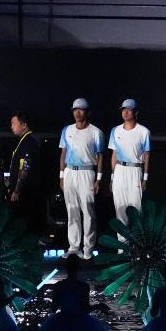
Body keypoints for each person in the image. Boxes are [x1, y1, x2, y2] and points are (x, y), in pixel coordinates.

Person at [36, 255, 112, 331]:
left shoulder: (59, 286)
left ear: (65, 267)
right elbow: (85, 309)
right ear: (79, 268)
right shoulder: (83, 286)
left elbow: (54, 308)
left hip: (62, 323)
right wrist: (99, 306)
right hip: (81, 323)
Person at [58, 98, 105, 260]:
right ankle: (73, 247)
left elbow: (100, 157)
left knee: (88, 212)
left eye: (81, 109)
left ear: (87, 112)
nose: (77, 112)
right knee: (72, 211)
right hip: (70, 172)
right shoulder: (67, 130)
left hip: (87, 173)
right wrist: (61, 175)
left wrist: (98, 179)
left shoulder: (96, 132)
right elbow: (63, 153)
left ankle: (88, 248)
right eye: (74, 110)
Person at [108, 98, 151, 231]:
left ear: (135, 112)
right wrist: (112, 177)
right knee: (120, 208)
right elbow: (114, 155)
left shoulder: (144, 132)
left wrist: (145, 179)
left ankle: (136, 246)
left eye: (129, 109)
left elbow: (147, 156)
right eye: (123, 109)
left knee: (135, 209)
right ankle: (122, 246)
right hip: (119, 170)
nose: (125, 112)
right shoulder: (115, 131)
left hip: (135, 170)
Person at [7, 111, 44, 236]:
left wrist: (17, 190)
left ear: (24, 125)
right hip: (23, 191)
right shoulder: (23, 141)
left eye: (14, 124)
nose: (11, 127)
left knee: (23, 223)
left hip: (24, 192)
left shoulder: (29, 142)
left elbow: (25, 167)